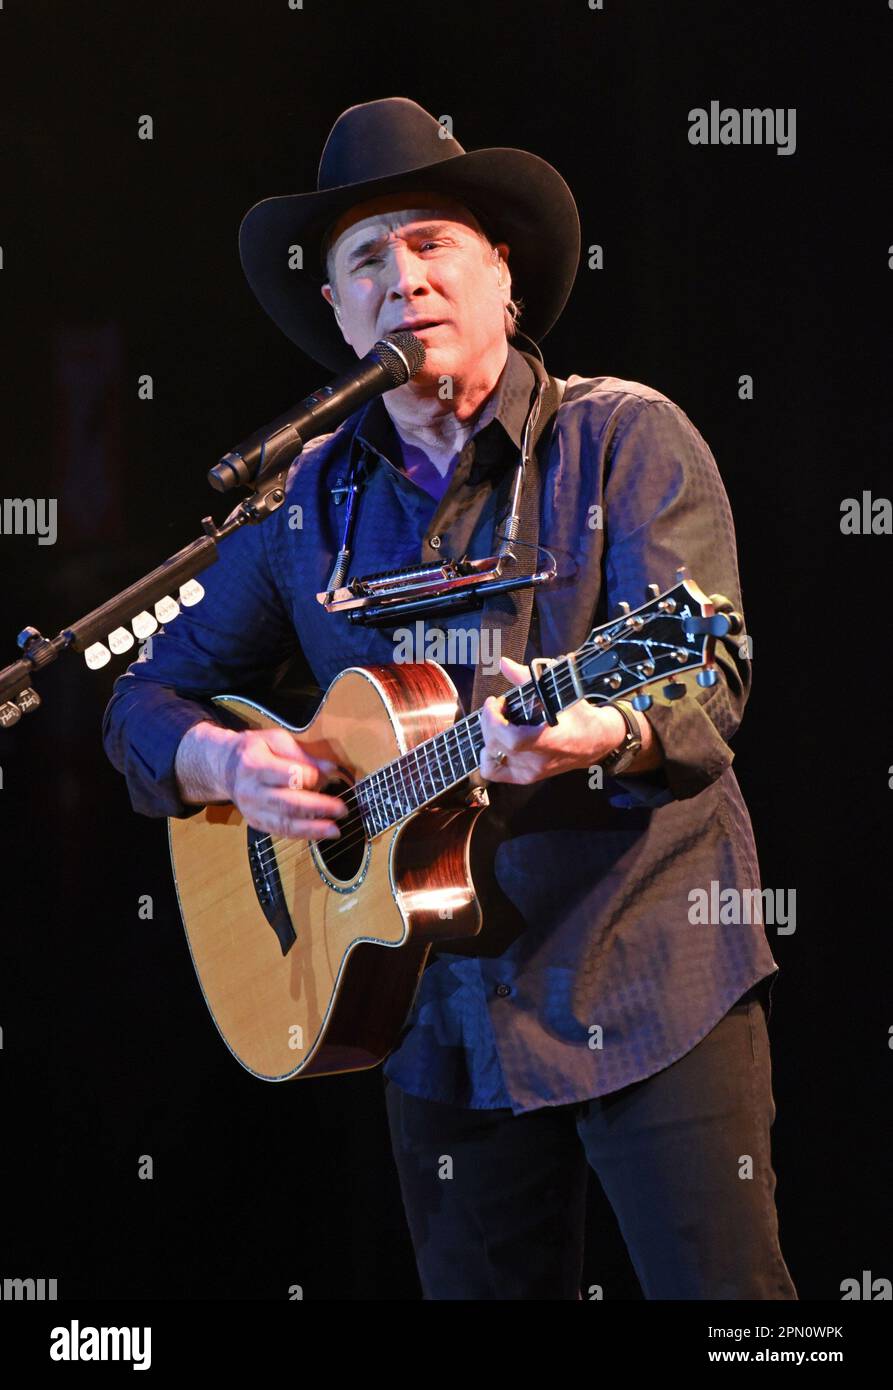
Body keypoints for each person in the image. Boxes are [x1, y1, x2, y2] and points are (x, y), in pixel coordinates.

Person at [102, 97, 798, 1301]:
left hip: (645, 976)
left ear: (501, 274)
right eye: (366, 260)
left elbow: (705, 672)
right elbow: (143, 698)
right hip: (430, 1013)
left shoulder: (623, 439)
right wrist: (226, 767)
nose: (402, 278)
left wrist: (606, 728)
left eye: (431, 243)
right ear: (336, 313)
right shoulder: (300, 507)